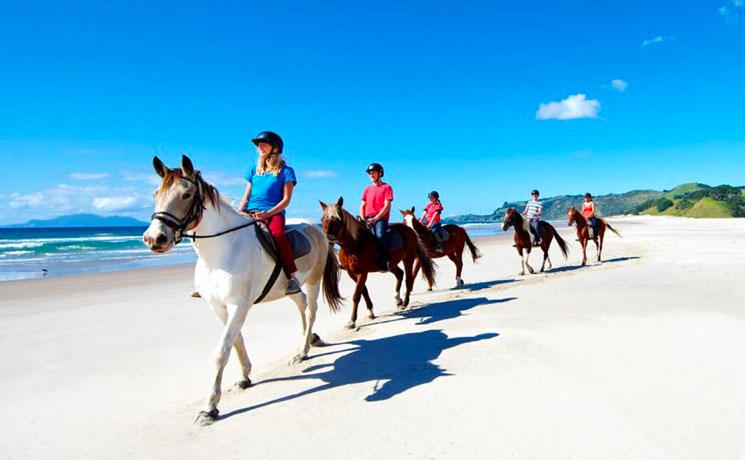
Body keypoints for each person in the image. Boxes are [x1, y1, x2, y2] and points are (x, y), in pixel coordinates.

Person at [238, 131, 301, 294]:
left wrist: (268, 214)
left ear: (275, 148)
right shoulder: (254, 169)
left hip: (273, 213)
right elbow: (246, 195)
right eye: (257, 145)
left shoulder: (286, 171)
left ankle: (292, 277)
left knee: (278, 235)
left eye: (263, 144)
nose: (259, 147)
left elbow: (286, 200)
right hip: (250, 211)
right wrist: (239, 212)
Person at [360, 163, 393, 271]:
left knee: (380, 235)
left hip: (380, 218)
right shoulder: (367, 189)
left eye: (373, 172)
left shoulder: (386, 187)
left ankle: (384, 261)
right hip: (366, 218)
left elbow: (387, 206)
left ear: (380, 173)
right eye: (370, 173)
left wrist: (376, 218)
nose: (371, 174)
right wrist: (362, 218)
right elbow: (362, 205)